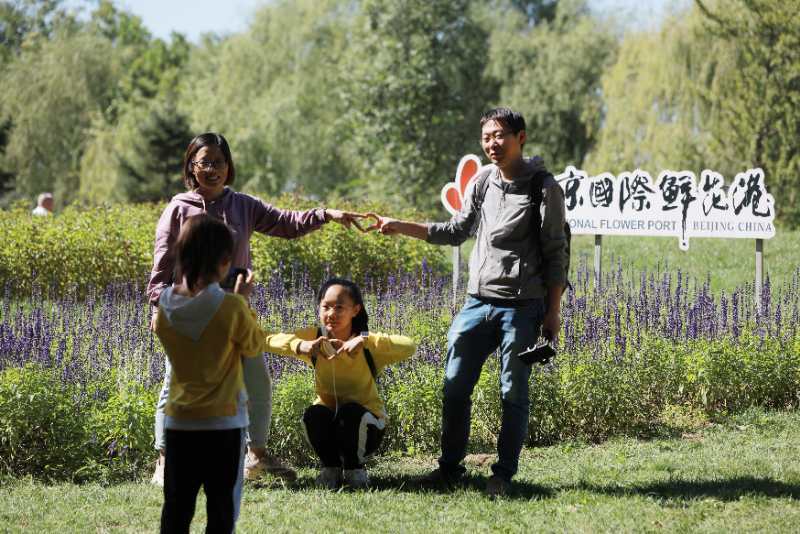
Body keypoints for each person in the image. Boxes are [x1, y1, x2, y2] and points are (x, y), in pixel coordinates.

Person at [368, 107, 568, 496]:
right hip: (477, 303)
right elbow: (457, 230)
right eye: (487, 137)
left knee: (513, 391)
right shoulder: (483, 181)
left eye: (500, 136)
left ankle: (503, 474)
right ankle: (449, 469)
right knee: (455, 385)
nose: (493, 144)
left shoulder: (544, 188)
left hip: (523, 307)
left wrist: (553, 311)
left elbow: (556, 253)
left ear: (521, 138)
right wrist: (400, 226)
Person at [147, 132, 362, 486]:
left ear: (228, 166)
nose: (213, 169)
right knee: (177, 382)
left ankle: (256, 456)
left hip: (235, 312)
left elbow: (288, 223)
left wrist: (326, 213)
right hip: (190, 312)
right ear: (191, 166)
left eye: (219, 162)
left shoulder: (242, 205)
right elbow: (162, 266)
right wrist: (158, 305)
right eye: (205, 162)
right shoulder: (178, 209)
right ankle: (167, 459)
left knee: (257, 382)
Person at [154, 214, 262, 533]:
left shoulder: (165, 308)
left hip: (179, 421)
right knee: (220, 506)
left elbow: (176, 332)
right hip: (223, 423)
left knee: (176, 505)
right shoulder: (232, 308)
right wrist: (243, 301)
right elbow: (253, 346)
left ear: (181, 256)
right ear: (226, 261)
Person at [264, 277, 416, 489]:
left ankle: (356, 472)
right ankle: (331, 469)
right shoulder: (315, 338)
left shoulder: (366, 344)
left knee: (350, 411)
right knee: (314, 414)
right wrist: (301, 345)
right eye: (325, 307)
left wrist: (365, 339)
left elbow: (410, 345)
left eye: (339, 307)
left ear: (355, 310)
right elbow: (266, 339)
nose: (331, 314)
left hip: (367, 426)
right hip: (333, 425)